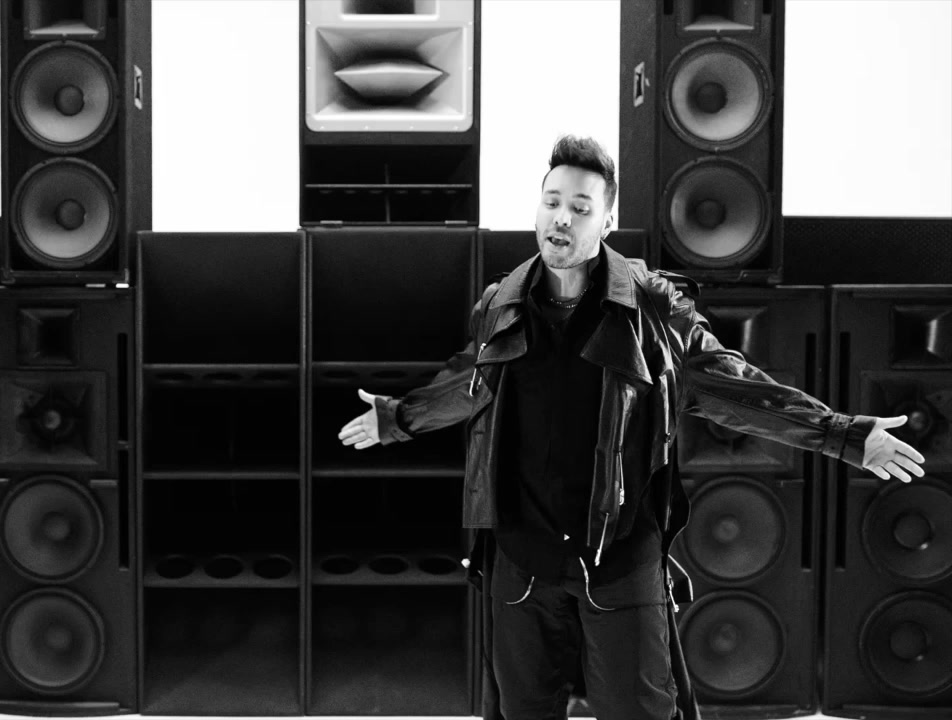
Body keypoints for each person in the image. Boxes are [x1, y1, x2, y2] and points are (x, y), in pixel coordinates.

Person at [337, 135, 927, 720]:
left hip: (618, 555)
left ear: (607, 222)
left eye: (580, 207)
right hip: (521, 558)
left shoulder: (653, 309)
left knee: (641, 711)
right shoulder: (502, 304)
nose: (560, 219)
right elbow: (468, 382)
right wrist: (397, 419)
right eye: (551, 202)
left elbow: (738, 389)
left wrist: (842, 434)